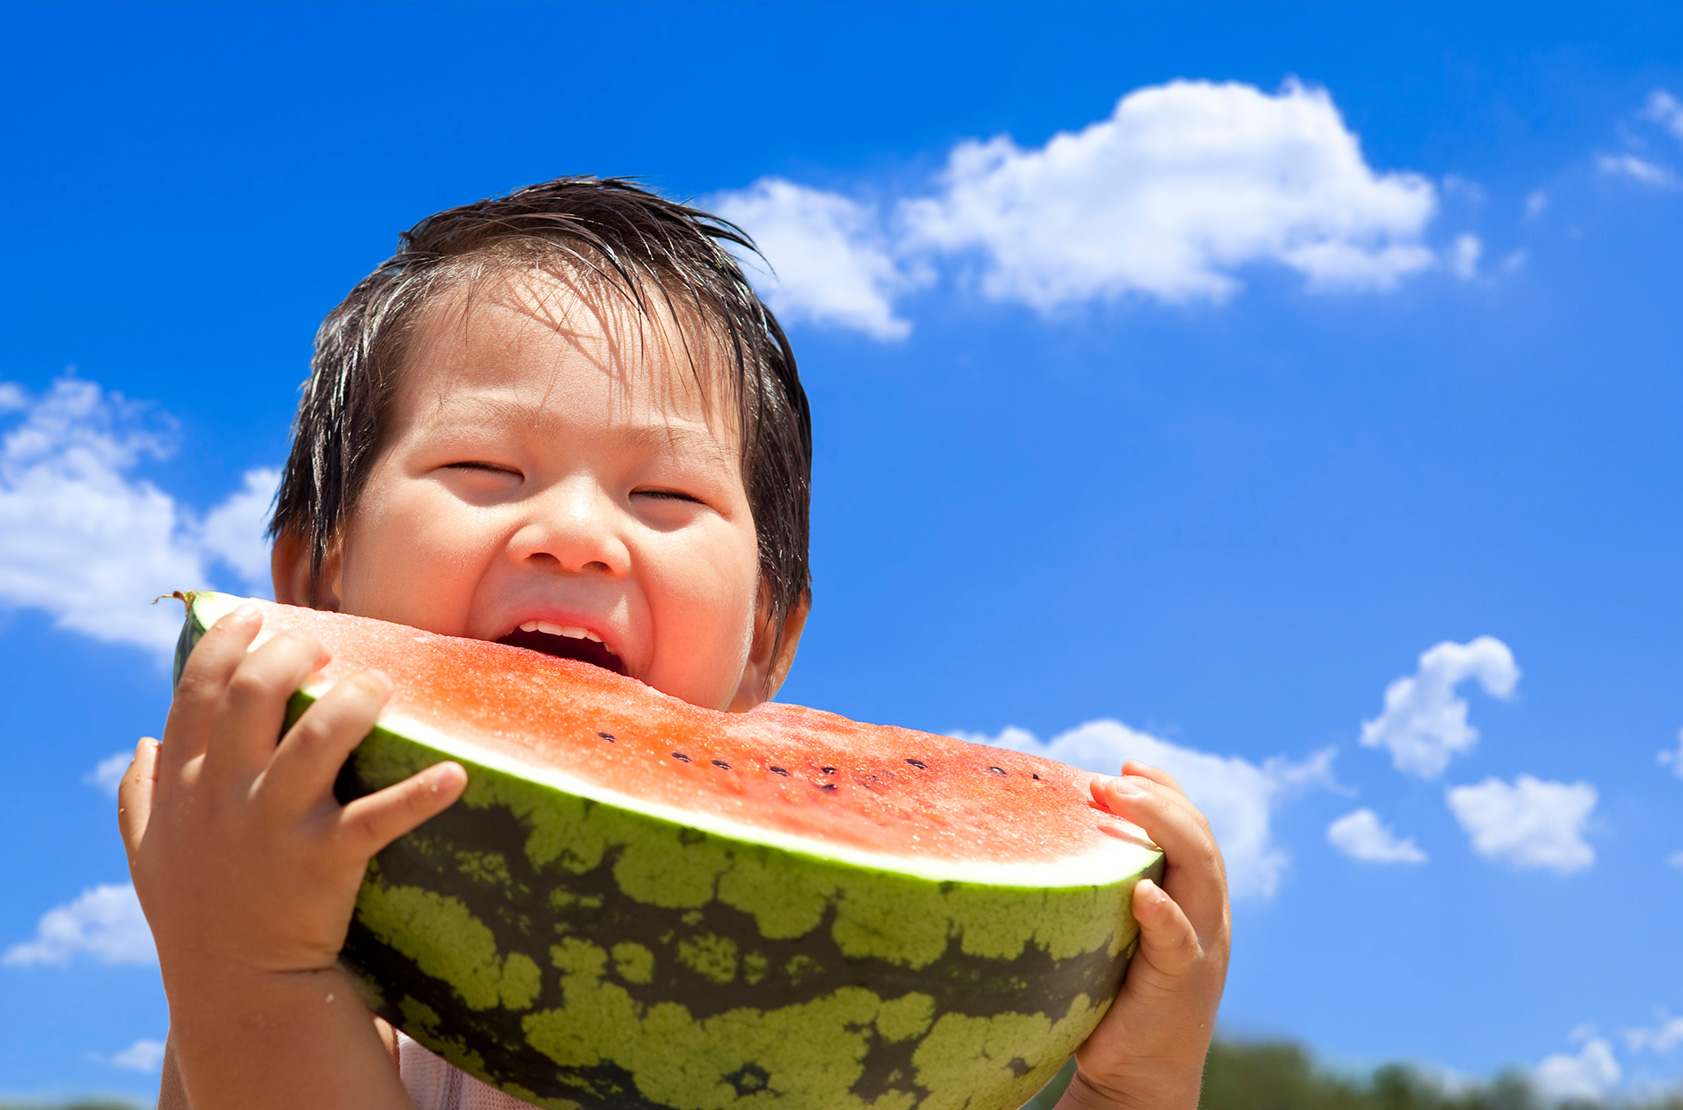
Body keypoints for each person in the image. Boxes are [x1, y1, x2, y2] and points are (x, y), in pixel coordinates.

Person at [118, 177, 1230, 1110]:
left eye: (663, 494)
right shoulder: (286, 948)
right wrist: (246, 968)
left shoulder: (830, 986)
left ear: (767, 637)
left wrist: (1131, 1085)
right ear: (315, 578)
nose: (575, 537)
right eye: (482, 472)